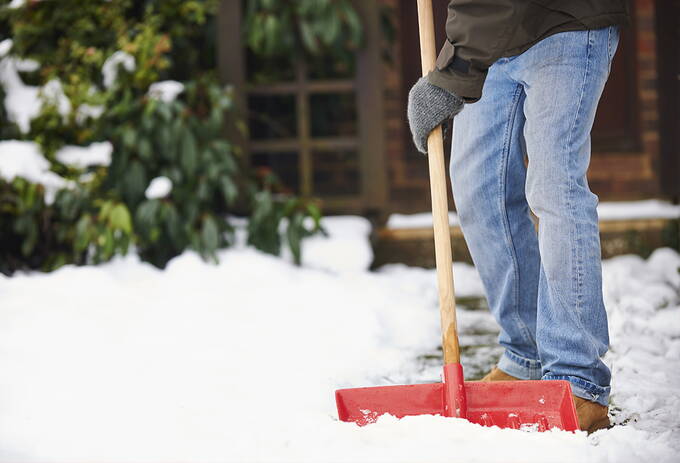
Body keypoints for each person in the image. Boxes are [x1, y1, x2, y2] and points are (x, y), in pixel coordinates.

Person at [407, 0, 629, 433]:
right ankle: (526, 355)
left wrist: (452, 75)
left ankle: (576, 379)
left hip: (568, 19)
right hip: (491, 40)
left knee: (553, 184)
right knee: (477, 185)